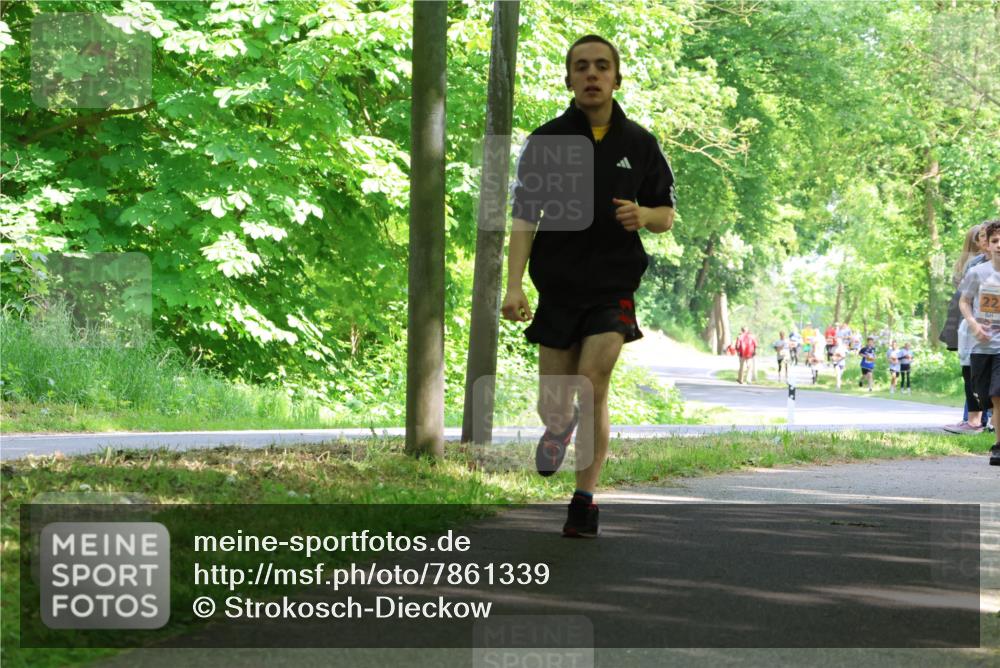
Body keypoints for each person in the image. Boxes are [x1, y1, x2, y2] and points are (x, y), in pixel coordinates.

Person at [502, 34, 678, 536]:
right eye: (581, 67)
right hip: (558, 289)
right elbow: (523, 218)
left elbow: (665, 215)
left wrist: (643, 215)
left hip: (611, 287)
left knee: (593, 383)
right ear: (569, 79)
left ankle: (584, 500)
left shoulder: (640, 143)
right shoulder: (545, 142)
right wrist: (514, 286)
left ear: (616, 79)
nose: (592, 74)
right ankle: (559, 428)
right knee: (555, 403)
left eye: (602, 66)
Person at [957, 218, 1000, 465]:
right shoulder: (977, 272)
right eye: (995, 240)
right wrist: (974, 325)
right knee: (983, 395)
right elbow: (964, 301)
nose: (999, 245)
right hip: (980, 345)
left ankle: (998, 446)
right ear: (987, 245)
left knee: (998, 394)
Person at [944, 224, 989, 433]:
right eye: (983, 237)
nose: (987, 241)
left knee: (986, 373)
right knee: (972, 370)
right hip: (973, 323)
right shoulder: (973, 264)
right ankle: (974, 420)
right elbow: (964, 298)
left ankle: (982, 421)